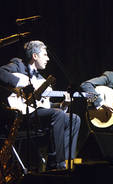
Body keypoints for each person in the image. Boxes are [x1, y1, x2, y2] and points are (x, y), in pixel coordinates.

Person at [0, 40, 81, 170]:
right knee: (58, 115)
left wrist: (62, 105)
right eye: (45, 55)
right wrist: (22, 82)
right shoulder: (18, 65)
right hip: (19, 116)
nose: (48, 59)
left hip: (36, 117)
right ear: (35, 56)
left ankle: (65, 162)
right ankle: (57, 164)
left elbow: (45, 107)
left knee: (74, 119)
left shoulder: (42, 80)